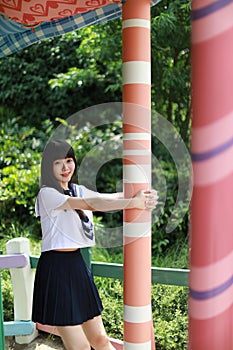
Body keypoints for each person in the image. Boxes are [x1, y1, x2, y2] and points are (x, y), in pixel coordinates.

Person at [32, 139, 158, 350]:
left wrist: (142, 197)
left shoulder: (77, 190)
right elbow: (92, 204)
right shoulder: (47, 194)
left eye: (69, 160)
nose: (65, 168)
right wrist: (131, 203)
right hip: (56, 270)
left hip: (77, 265)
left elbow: (106, 198)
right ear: (48, 166)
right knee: (79, 347)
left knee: (100, 340)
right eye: (58, 163)